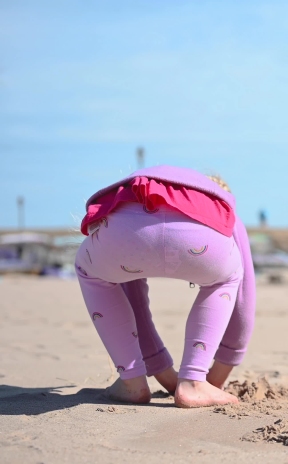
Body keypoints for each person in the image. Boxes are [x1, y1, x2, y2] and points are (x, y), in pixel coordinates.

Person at [74, 165, 255, 408]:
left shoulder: (159, 180)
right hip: (201, 241)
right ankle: (194, 382)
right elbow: (244, 301)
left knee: (93, 273)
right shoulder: (221, 204)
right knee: (228, 278)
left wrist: (163, 373)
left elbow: (134, 302)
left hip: (127, 228)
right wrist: (216, 377)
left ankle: (131, 381)